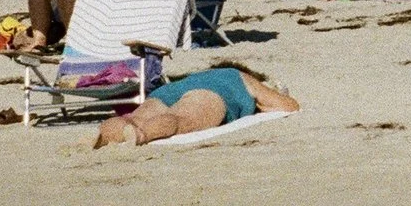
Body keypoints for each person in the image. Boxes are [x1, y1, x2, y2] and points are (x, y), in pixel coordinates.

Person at [93, 65, 298, 147]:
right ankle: (141, 136)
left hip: (168, 90)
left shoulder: (200, 75)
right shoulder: (239, 77)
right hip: (210, 93)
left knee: (133, 119)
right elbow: (288, 106)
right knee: (180, 120)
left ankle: (103, 136)